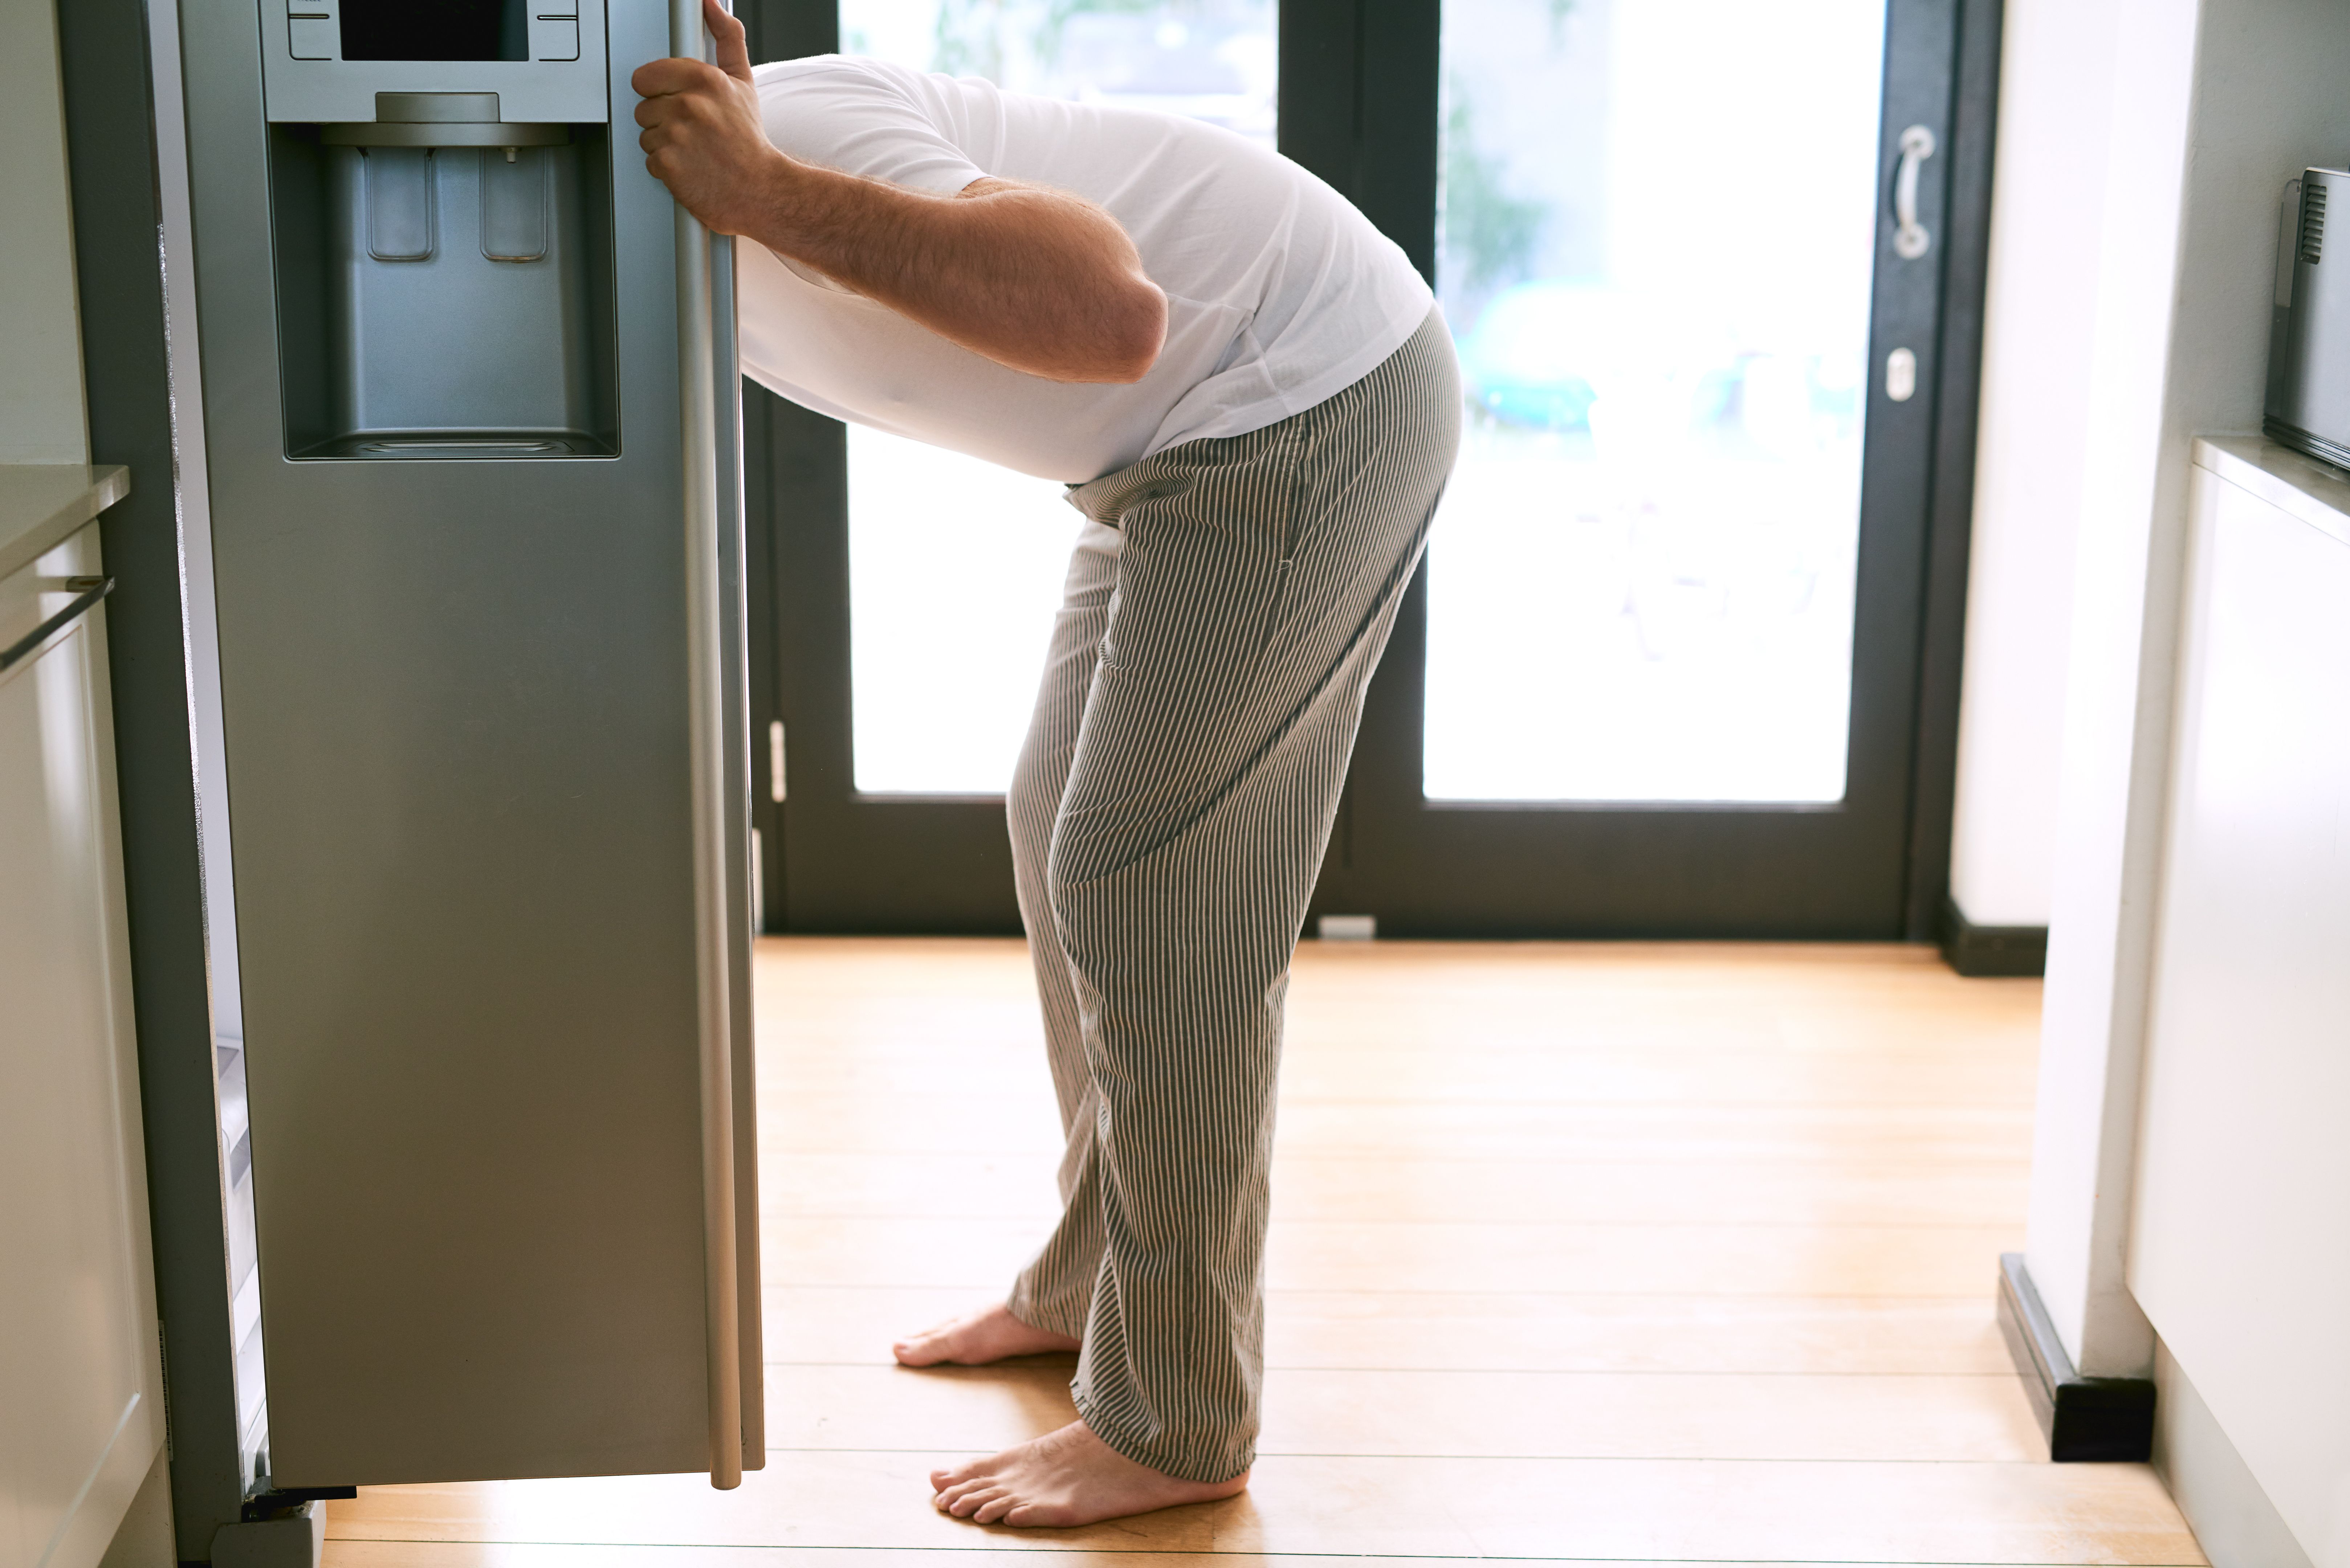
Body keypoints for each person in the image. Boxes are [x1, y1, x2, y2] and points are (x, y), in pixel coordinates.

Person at [633, 1, 1459, 1529]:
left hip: (1294, 398)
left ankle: (1177, 1416)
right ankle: (1095, 1276)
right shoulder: (641, 226)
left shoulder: (785, 147)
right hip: (1162, 452)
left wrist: (761, 192)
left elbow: (1107, 314)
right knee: (1059, 828)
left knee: (1149, 886)